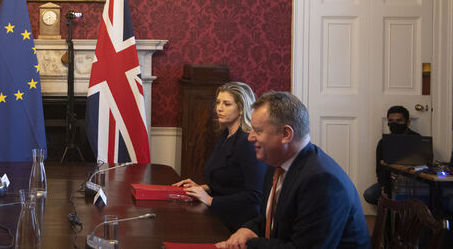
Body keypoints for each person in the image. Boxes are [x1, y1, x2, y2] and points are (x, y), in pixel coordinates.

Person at [217, 91, 369, 249]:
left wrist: (248, 245)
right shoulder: (276, 163)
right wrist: (248, 229)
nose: (250, 137)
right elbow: (271, 219)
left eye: (258, 131)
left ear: (286, 134)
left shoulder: (321, 180)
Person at [172, 82, 267, 231]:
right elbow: (231, 183)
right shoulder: (226, 135)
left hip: (240, 222)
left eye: (227, 104)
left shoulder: (247, 142)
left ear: (241, 108)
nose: (219, 108)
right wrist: (202, 188)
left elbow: (254, 195)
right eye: (218, 102)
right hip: (221, 213)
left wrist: (210, 200)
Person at [363, 105, 420, 205]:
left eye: (399, 121)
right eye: (391, 121)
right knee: (369, 194)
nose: (395, 124)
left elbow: (425, 164)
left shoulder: (418, 140)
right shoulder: (383, 142)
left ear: (407, 122)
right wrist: (383, 186)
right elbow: (380, 169)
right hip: (390, 181)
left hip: (412, 181)